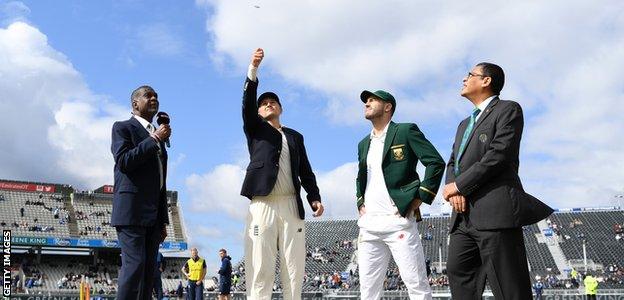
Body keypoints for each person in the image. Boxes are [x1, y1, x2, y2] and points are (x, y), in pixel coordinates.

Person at [443, 63, 553, 299]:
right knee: (458, 273)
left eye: (470, 75)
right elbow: (453, 162)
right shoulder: (464, 124)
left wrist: (461, 185)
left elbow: (499, 155)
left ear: (486, 81)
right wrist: (455, 191)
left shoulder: (508, 110)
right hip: (463, 215)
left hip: (495, 211)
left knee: (509, 286)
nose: (464, 79)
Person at [241, 48, 324, 300]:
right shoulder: (255, 129)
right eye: (264, 103)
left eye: (273, 102)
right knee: (260, 266)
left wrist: (314, 196)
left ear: (281, 108)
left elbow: (305, 170)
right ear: (258, 112)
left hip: (290, 203)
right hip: (263, 202)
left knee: (293, 266)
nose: (268, 104)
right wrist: (253, 71)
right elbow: (247, 104)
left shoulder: (295, 136)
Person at [356, 89, 445, 299]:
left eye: (372, 100)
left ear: (388, 107)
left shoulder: (405, 131)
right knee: (368, 291)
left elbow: (435, 162)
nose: (366, 103)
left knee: (416, 285)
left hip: (398, 221)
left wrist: (419, 198)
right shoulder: (363, 143)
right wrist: (360, 201)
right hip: (369, 225)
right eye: (365, 101)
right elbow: (361, 177)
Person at [111, 85, 170, 300]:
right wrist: (154, 139)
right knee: (134, 266)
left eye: (156, 95)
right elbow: (124, 161)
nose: (154, 98)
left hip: (153, 216)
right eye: (148, 95)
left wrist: (162, 219)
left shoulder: (158, 138)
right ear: (135, 104)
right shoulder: (122, 127)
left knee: (148, 272)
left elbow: (161, 182)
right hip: (132, 211)